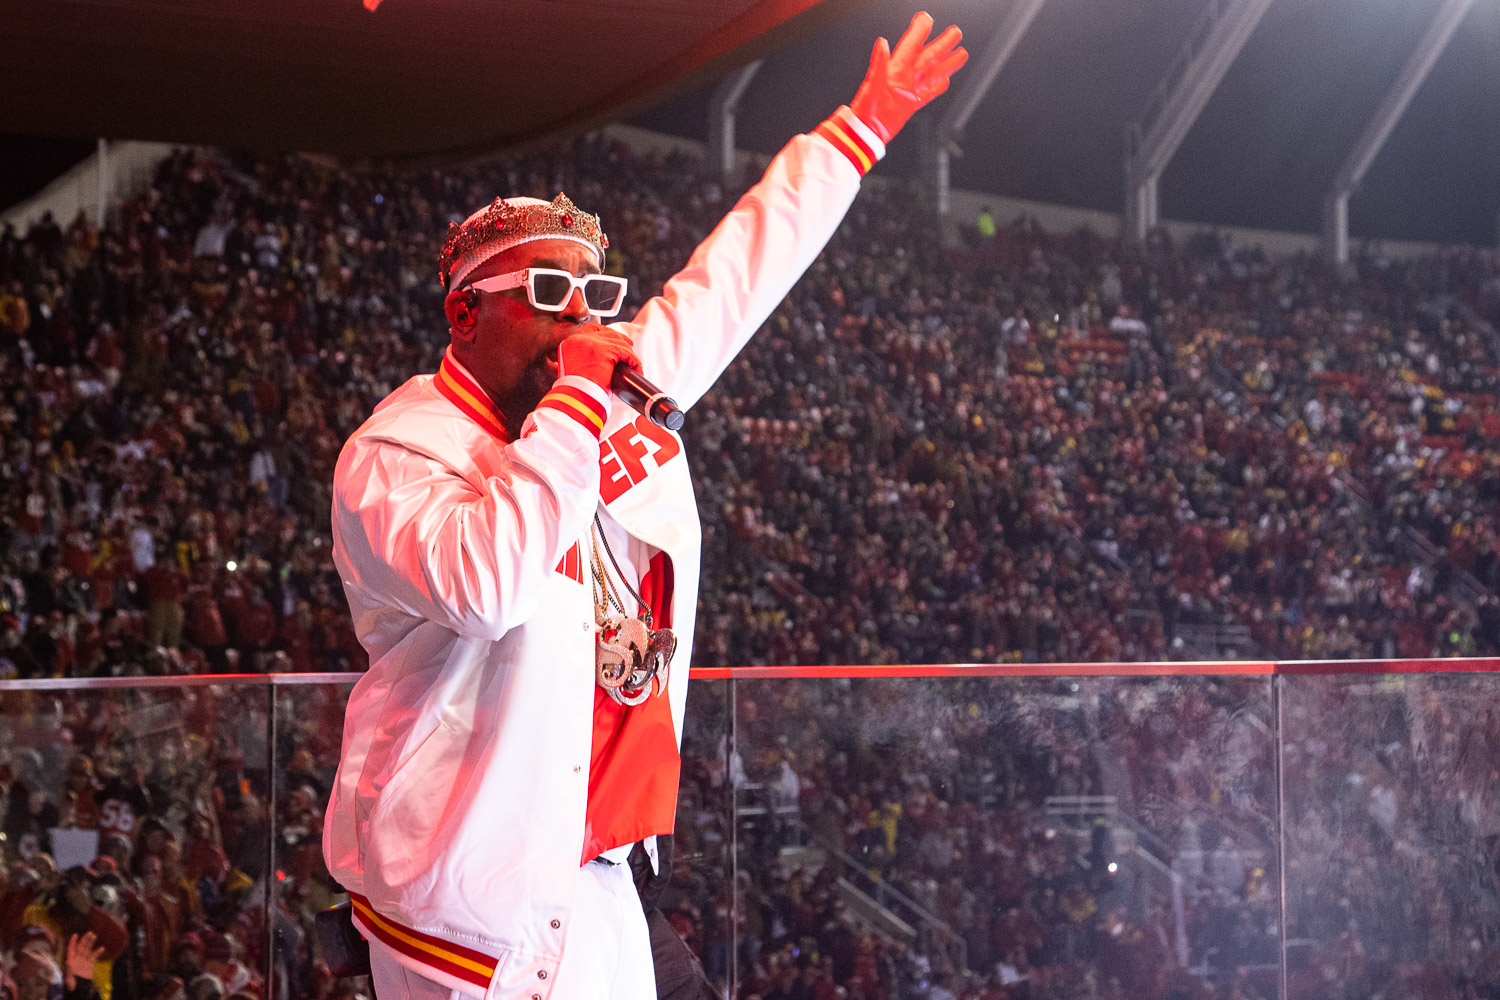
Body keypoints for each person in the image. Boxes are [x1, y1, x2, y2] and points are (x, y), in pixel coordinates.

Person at [321, 12, 966, 1000]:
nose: (580, 321)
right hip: (466, 900)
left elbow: (734, 279)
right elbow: (488, 584)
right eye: (548, 292)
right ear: (465, 311)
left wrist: (864, 126)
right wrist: (580, 403)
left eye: (593, 296)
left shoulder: (599, 393)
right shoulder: (396, 452)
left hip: (604, 871)